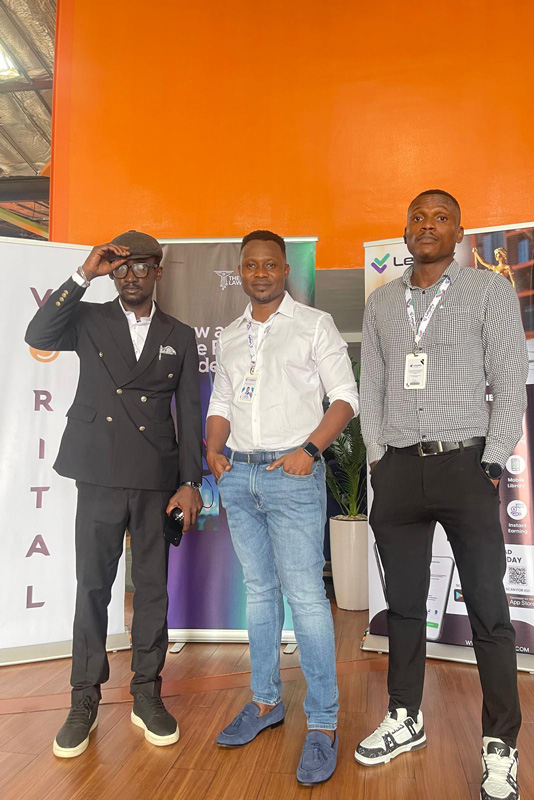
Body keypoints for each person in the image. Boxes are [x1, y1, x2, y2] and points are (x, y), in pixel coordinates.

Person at [357, 191, 527, 800]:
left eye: (441, 218)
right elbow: (372, 383)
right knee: (403, 605)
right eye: (417, 218)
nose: (427, 225)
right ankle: (406, 716)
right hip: (399, 469)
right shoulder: (382, 302)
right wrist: (378, 458)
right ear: (405, 231)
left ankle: (500, 745)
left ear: (458, 233)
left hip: (464, 464)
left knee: (488, 609)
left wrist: (491, 462)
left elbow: (510, 380)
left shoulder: (489, 291)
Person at [25, 231, 204, 758]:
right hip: (98, 471)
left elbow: (189, 411)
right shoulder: (89, 318)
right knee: (93, 588)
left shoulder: (179, 334)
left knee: (151, 590)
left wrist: (190, 482)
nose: (130, 275)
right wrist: (85, 272)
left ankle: (146, 692)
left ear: (158, 272)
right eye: (120, 266)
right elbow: (39, 331)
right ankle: (83, 698)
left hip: (155, 476)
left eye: (141, 266)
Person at [206, 230, 358, 786]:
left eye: (270, 264)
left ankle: (323, 722)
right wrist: (212, 450)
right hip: (238, 475)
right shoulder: (230, 334)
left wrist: (309, 451)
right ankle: (265, 701)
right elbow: (222, 399)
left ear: (285, 269)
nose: (261, 273)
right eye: (251, 265)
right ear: (241, 270)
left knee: (307, 599)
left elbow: (346, 397)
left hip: (292, 475)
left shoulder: (314, 324)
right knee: (261, 593)